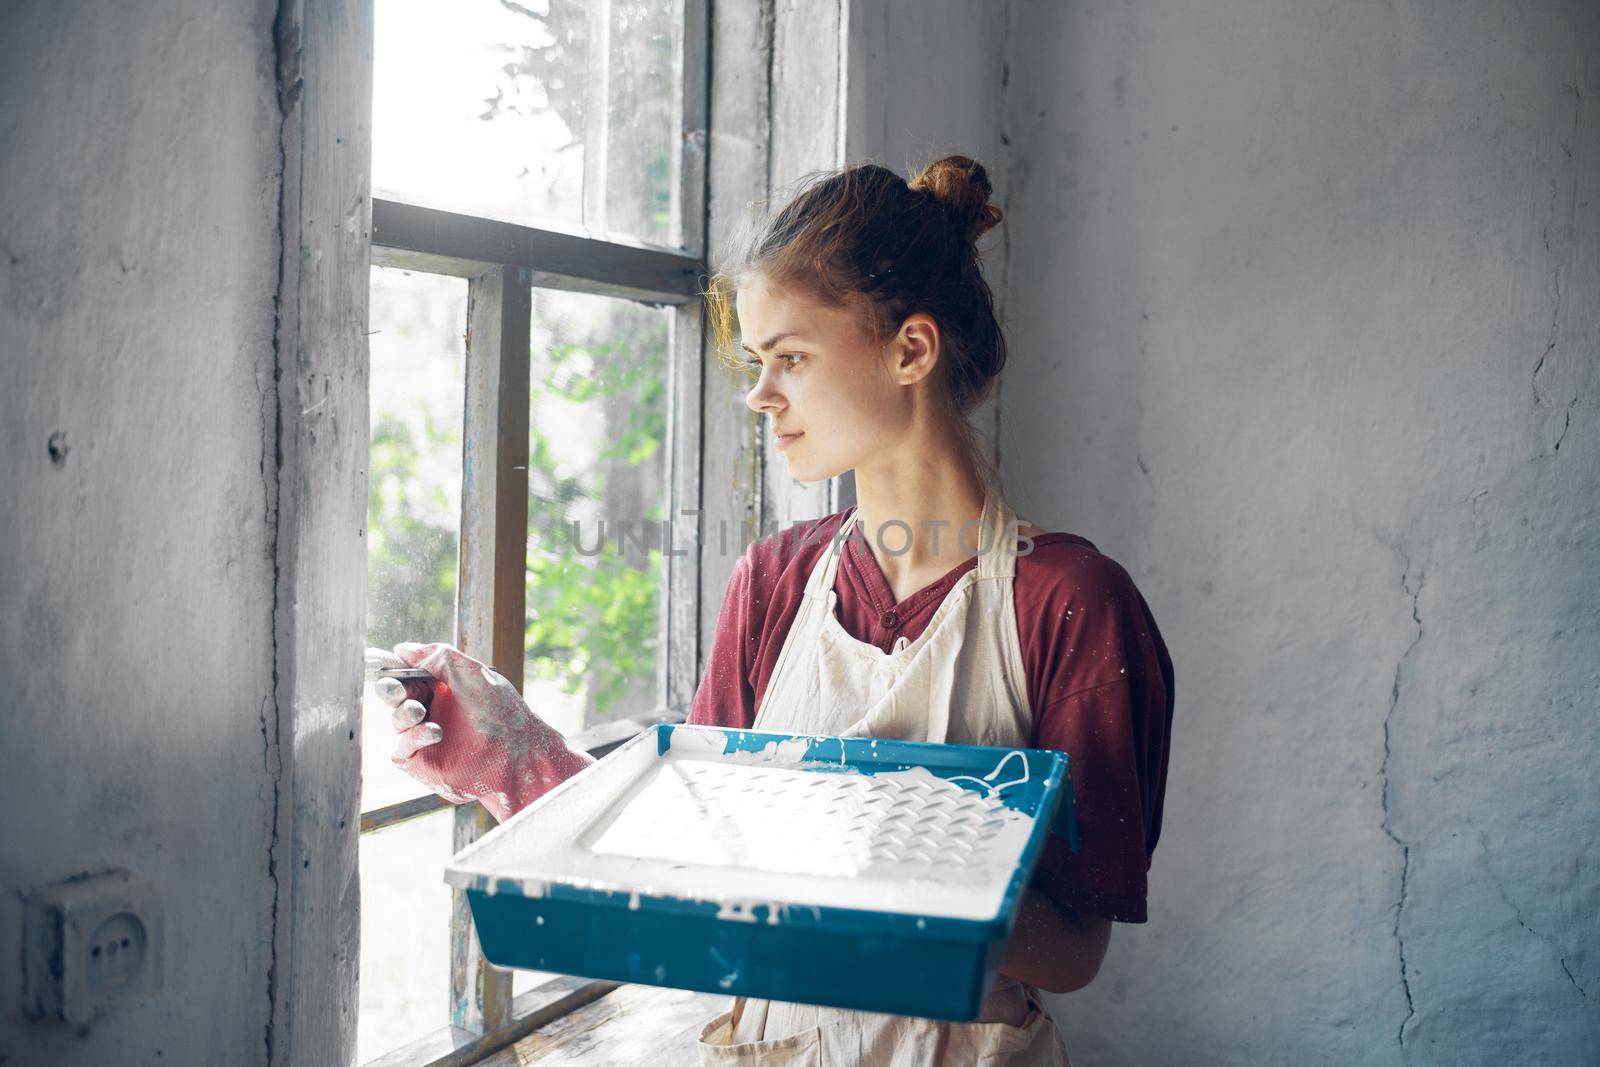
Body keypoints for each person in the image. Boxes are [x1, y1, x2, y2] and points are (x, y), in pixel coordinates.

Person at [367, 154, 1174, 1066]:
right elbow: (699, 868)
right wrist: (518, 762)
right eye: (757, 362)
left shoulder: (1072, 603)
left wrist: (903, 859)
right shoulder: (776, 581)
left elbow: (1074, 949)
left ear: (910, 349)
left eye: (790, 357)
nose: (761, 395)